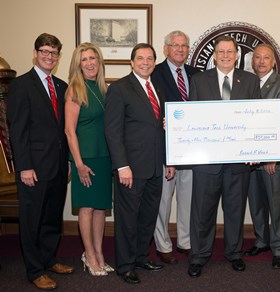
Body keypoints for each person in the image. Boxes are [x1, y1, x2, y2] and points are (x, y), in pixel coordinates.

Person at [187, 35, 260, 277]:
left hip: (238, 162)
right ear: (214, 55)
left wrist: (255, 151)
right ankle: (198, 256)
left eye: (230, 51)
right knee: (202, 212)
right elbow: (192, 117)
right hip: (206, 163)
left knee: (235, 211)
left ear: (237, 55)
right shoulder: (198, 81)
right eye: (221, 52)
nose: (226, 55)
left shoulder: (250, 81)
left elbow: (255, 120)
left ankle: (234, 254)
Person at [7, 33, 74, 290]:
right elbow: (18, 130)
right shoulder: (22, 85)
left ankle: (48, 259)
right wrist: (24, 166)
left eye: (54, 53)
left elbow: (64, 129)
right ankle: (34, 270)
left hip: (57, 165)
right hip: (32, 168)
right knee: (32, 219)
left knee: (52, 217)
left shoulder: (61, 86)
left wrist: (67, 159)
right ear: (35, 53)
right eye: (44, 51)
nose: (49, 56)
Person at [104, 43, 174, 285]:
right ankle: (125, 265)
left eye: (150, 58)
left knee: (147, 216)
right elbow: (112, 131)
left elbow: (160, 127)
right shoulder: (120, 88)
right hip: (130, 169)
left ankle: (141, 257)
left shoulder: (158, 88)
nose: (145, 62)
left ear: (155, 62)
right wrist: (122, 165)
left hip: (155, 166)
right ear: (131, 62)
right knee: (127, 219)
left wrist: (169, 160)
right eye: (140, 58)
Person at [244, 44, 280, 269]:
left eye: (266, 58)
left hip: (272, 160)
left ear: (273, 62)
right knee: (256, 203)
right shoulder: (245, 84)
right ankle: (262, 240)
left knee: (277, 204)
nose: (262, 61)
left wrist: (273, 155)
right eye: (258, 57)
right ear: (252, 61)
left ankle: (279, 248)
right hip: (248, 158)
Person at [151, 30, 201, 264]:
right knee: (163, 199)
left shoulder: (196, 74)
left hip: (191, 149)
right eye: (175, 45)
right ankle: (162, 244)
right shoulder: (154, 73)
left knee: (188, 198)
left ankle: (185, 241)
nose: (180, 49)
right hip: (164, 147)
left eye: (184, 46)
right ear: (166, 48)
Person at [64, 43, 113, 276]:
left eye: (93, 58)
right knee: (86, 208)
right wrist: (79, 164)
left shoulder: (105, 88)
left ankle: (100, 253)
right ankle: (89, 255)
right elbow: (69, 131)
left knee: (101, 208)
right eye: (84, 59)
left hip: (105, 157)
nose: (90, 63)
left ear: (99, 61)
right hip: (85, 158)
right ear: (78, 64)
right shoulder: (75, 89)